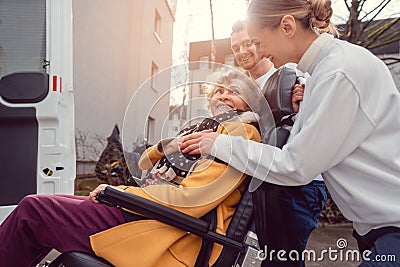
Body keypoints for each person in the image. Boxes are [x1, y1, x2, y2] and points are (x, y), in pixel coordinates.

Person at [180, 0, 400, 266]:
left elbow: (295, 165)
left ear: (287, 26)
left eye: (259, 42)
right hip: (378, 229)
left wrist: (218, 144)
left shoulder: (337, 73)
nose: (258, 52)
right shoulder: (325, 72)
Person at [0, 69, 262, 267]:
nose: (224, 95)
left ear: (249, 104)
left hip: (163, 227)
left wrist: (121, 194)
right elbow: (144, 163)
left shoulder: (239, 133)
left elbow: (191, 201)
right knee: (38, 207)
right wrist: (166, 147)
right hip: (148, 210)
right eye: (219, 90)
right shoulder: (203, 128)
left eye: (234, 91)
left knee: (33, 211)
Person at [231, 19, 327, 266]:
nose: (242, 52)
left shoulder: (291, 75)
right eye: (235, 48)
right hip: (266, 184)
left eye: (248, 43)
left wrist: (305, 103)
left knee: (284, 261)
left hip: (297, 186)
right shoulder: (243, 90)